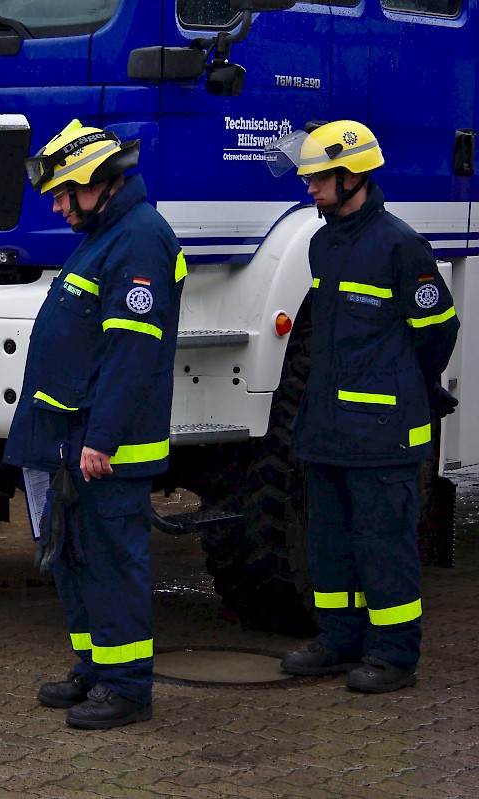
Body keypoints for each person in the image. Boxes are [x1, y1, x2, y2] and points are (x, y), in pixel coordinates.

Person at [266, 120, 460, 692]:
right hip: (326, 429)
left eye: (320, 178)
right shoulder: (323, 244)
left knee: (384, 545)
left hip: (381, 432)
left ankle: (395, 654)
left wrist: (402, 392)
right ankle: (340, 640)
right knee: (329, 542)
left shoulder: (400, 245)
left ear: (354, 176)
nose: (311, 189)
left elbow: (437, 332)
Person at [5, 120, 185, 729]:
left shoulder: (139, 239)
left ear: (100, 184)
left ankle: (128, 685)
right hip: (68, 439)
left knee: (114, 563)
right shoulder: (106, 232)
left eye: (65, 192)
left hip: (103, 445)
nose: (58, 205)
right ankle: (96, 667)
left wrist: (101, 440)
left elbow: (132, 357)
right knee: (76, 558)